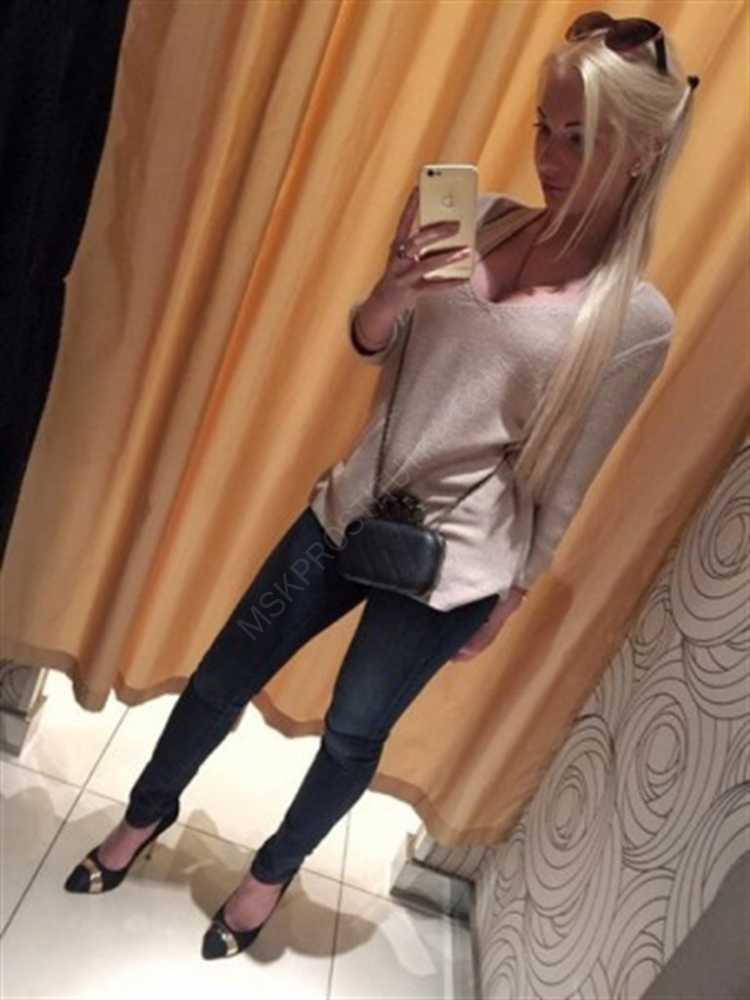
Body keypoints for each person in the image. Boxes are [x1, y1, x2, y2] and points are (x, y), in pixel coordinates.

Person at [63, 11, 698, 961]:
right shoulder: (479, 218)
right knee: (224, 672)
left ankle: (269, 877)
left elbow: (569, 477)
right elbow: (372, 343)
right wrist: (396, 286)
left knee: (354, 731)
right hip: (349, 506)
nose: (550, 156)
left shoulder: (636, 319)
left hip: (455, 566)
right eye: (544, 127)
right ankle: (144, 816)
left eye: (581, 137)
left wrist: (511, 598)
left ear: (642, 151)